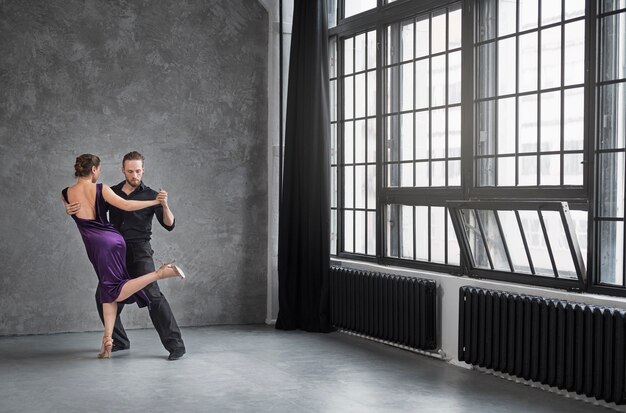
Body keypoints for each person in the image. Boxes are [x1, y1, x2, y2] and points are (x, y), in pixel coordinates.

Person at [65, 151, 186, 361]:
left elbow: (169, 224)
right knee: (102, 297)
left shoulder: (151, 195)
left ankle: (176, 345)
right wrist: (70, 208)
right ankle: (120, 341)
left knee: (153, 297)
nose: (134, 174)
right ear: (123, 170)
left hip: (140, 251)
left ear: (143, 170)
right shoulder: (111, 192)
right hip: (114, 251)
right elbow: (89, 209)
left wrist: (164, 204)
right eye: (130, 171)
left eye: (138, 171)